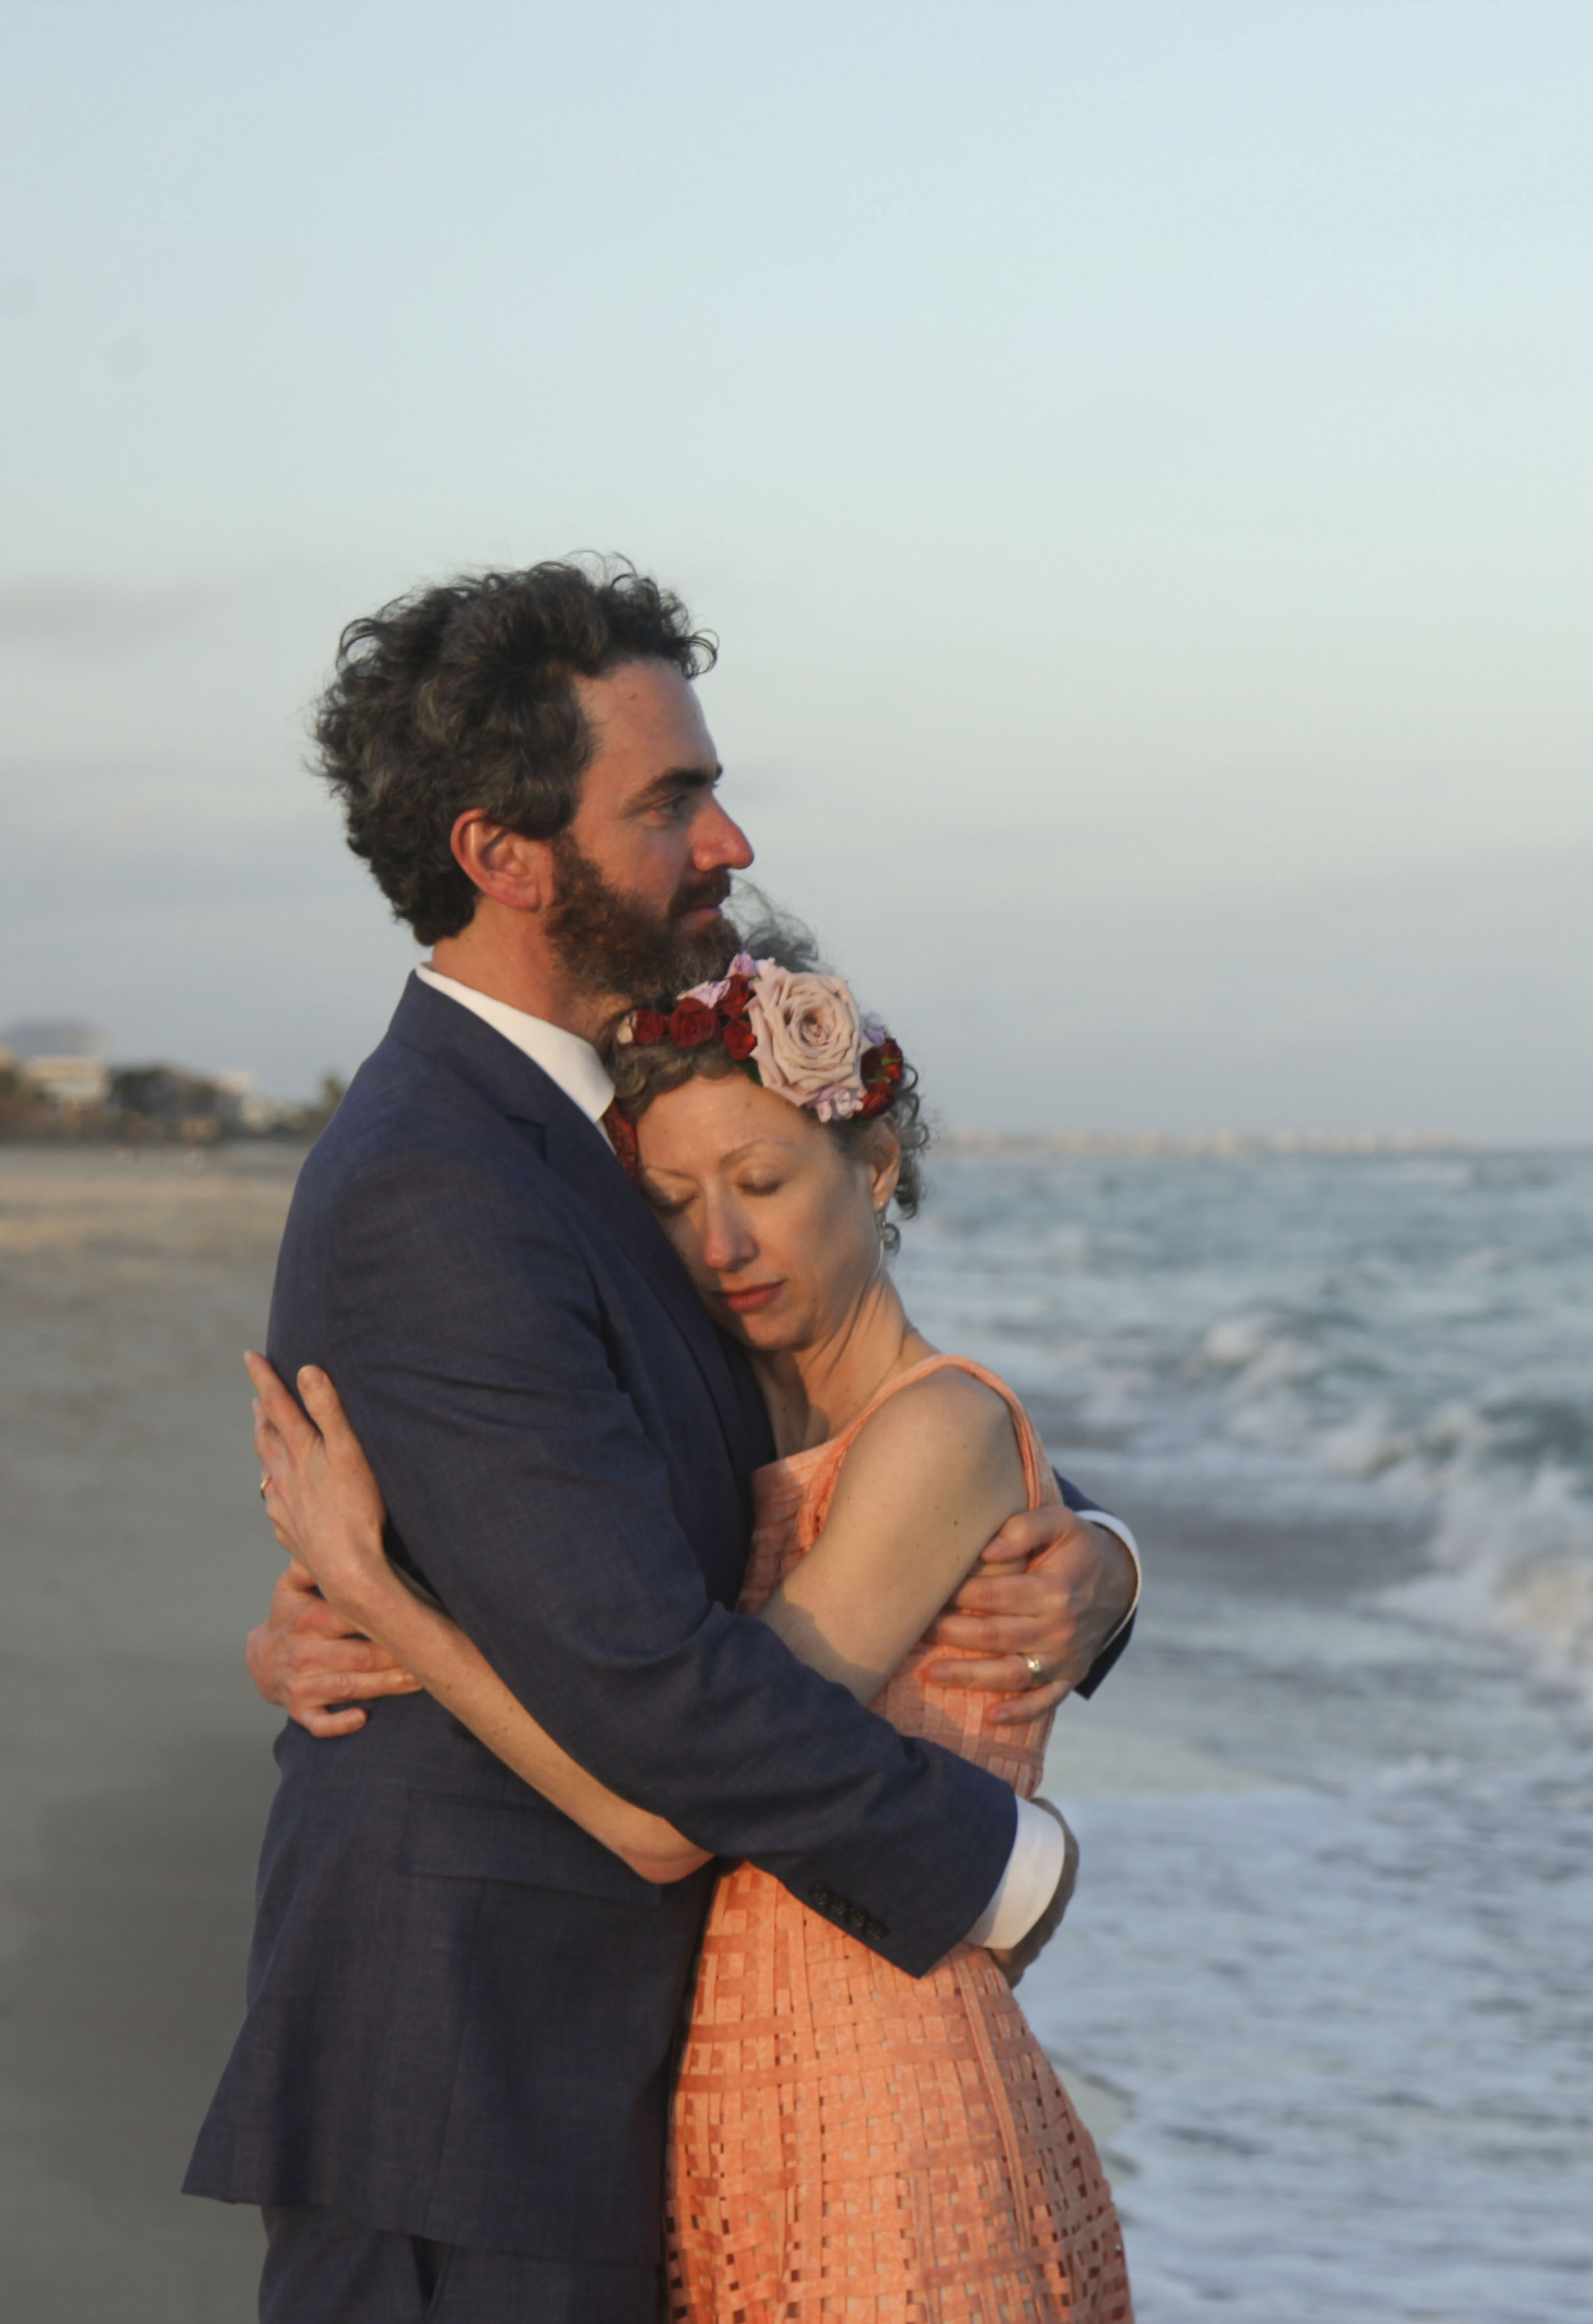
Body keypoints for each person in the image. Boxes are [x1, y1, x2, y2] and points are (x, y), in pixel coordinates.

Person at [185, 561, 1141, 2324]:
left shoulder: (604, 1139)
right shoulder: (438, 1187)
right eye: (671, 800)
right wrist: (1000, 1869)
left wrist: (1083, 1551)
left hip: (630, 2077)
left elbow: (816, 1436)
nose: (727, 841)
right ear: (504, 851)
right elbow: (655, 1698)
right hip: (471, 2079)